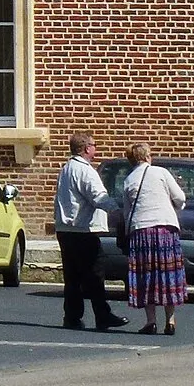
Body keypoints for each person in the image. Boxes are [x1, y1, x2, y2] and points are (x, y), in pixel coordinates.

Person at [53, 131, 126, 331]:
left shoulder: (67, 168)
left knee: (73, 276)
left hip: (65, 229)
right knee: (95, 273)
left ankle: (72, 316)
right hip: (82, 229)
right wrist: (117, 211)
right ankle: (102, 315)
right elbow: (98, 196)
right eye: (94, 145)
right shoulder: (85, 171)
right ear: (86, 148)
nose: (95, 148)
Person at [119, 142, 189, 335]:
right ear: (148, 156)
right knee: (167, 274)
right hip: (165, 229)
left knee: (146, 275)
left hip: (141, 232)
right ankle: (171, 320)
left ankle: (151, 321)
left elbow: (127, 212)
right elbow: (180, 197)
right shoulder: (161, 172)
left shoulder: (128, 180)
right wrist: (176, 207)